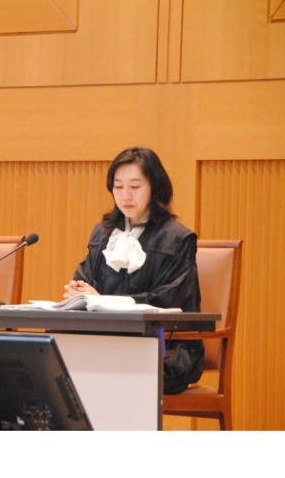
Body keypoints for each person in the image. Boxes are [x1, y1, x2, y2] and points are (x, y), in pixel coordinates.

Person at [65, 147, 204, 394]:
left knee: (99, 371)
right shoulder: (103, 233)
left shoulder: (178, 239)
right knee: (60, 360)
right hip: (108, 344)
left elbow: (166, 303)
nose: (125, 195)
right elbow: (86, 281)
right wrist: (79, 292)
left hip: (163, 348)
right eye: (118, 187)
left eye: (135, 186)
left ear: (155, 187)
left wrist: (103, 300)